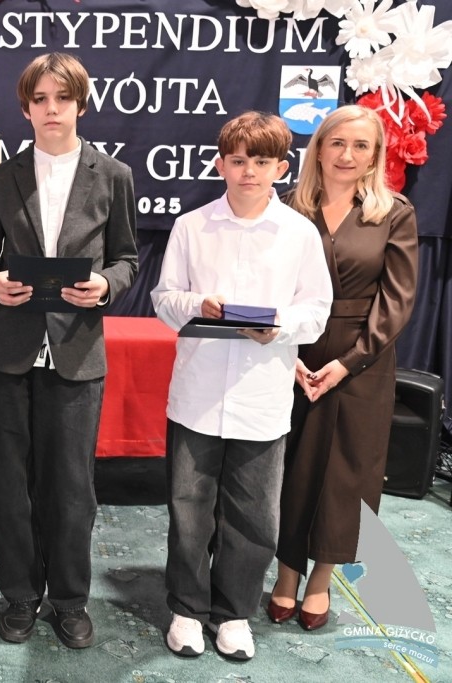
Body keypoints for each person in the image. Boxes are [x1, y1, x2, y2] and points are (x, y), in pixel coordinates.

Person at [0, 53, 138, 649]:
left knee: (70, 487)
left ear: (80, 104)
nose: (51, 109)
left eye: (62, 98)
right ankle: (19, 594)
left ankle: (69, 599)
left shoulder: (112, 175)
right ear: (26, 108)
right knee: (11, 483)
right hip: (8, 354)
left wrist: (105, 285)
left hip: (76, 353)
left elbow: (127, 259)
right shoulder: (1, 178)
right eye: (40, 99)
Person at [151, 111, 332, 661]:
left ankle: (233, 614)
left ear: (281, 167)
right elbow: (164, 299)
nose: (248, 171)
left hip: (263, 395)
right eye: (237, 160)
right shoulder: (192, 226)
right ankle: (187, 609)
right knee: (189, 509)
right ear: (219, 164)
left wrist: (280, 325)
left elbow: (317, 311)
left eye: (261, 161)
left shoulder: (299, 233)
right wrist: (197, 304)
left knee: (254, 515)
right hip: (198, 394)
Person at [270, 105, 418, 631]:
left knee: (345, 475)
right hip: (294, 351)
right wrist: (284, 353)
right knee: (291, 467)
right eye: (337, 143)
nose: (347, 155)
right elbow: (270, 286)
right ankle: (286, 573)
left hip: (362, 359)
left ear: (375, 156)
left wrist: (349, 362)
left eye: (360, 146)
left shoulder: (394, 212)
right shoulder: (288, 207)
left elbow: (397, 301)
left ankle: (320, 580)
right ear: (318, 149)